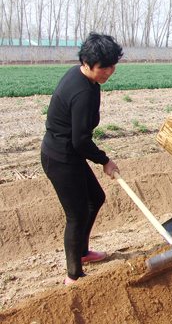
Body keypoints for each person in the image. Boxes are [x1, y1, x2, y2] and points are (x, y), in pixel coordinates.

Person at [40, 32, 122, 285]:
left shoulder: (85, 78)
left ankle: (83, 253)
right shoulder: (82, 93)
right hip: (61, 157)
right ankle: (73, 275)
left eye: (112, 65)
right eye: (103, 67)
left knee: (95, 198)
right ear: (87, 64)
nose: (109, 71)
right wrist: (105, 160)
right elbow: (80, 141)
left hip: (70, 154)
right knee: (75, 215)